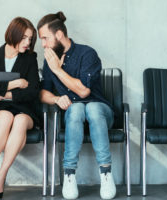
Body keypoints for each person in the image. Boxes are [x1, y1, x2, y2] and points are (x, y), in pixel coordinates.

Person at [38, 11, 116, 200]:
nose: (43, 44)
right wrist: (56, 99)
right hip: (74, 116)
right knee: (77, 108)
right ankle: (69, 174)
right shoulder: (48, 61)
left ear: (59, 35)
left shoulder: (87, 53)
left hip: (101, 113)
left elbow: (83, 92)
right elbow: (42, 93)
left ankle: (106, 173)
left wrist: (58, 69)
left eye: (45, 38)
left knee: (91, 107)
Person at [0, 17, 39, 200]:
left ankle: (1, 175)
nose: (28, 43)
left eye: (31, 39)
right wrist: (15, 83)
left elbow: (33, 91)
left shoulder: (30, 59)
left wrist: (4, 93)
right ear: (14, 34)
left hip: (23, 110)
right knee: (4, 116)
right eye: (25, 38)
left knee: (18, 120)